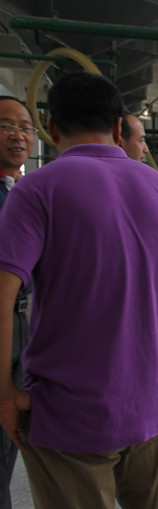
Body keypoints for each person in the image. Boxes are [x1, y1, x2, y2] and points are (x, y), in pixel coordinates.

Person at [0, 71, 158, 508]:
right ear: (119, 128)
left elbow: (3, 293)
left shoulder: (36, 189)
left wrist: (5, 395)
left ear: (51, 129)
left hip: (67, 417)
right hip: (152, 408)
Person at [0, 95, 35, 509]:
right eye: (6, 126)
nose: (18, 136)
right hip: (5, 319)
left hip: (24, 320)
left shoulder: (22, 191)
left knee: (9, 438)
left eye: (25, 127)